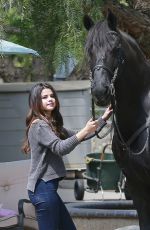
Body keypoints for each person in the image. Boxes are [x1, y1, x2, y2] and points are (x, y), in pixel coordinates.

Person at [22, 82, 112, 230]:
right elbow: (60, 148)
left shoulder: (51, 124)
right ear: (36, 101)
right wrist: (84, 130)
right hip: (42, 189)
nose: (50, 99)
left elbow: (78, 135)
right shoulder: (39, 125)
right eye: (44, 97)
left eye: (52, 96)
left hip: (47, 190)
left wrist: (103, 118)